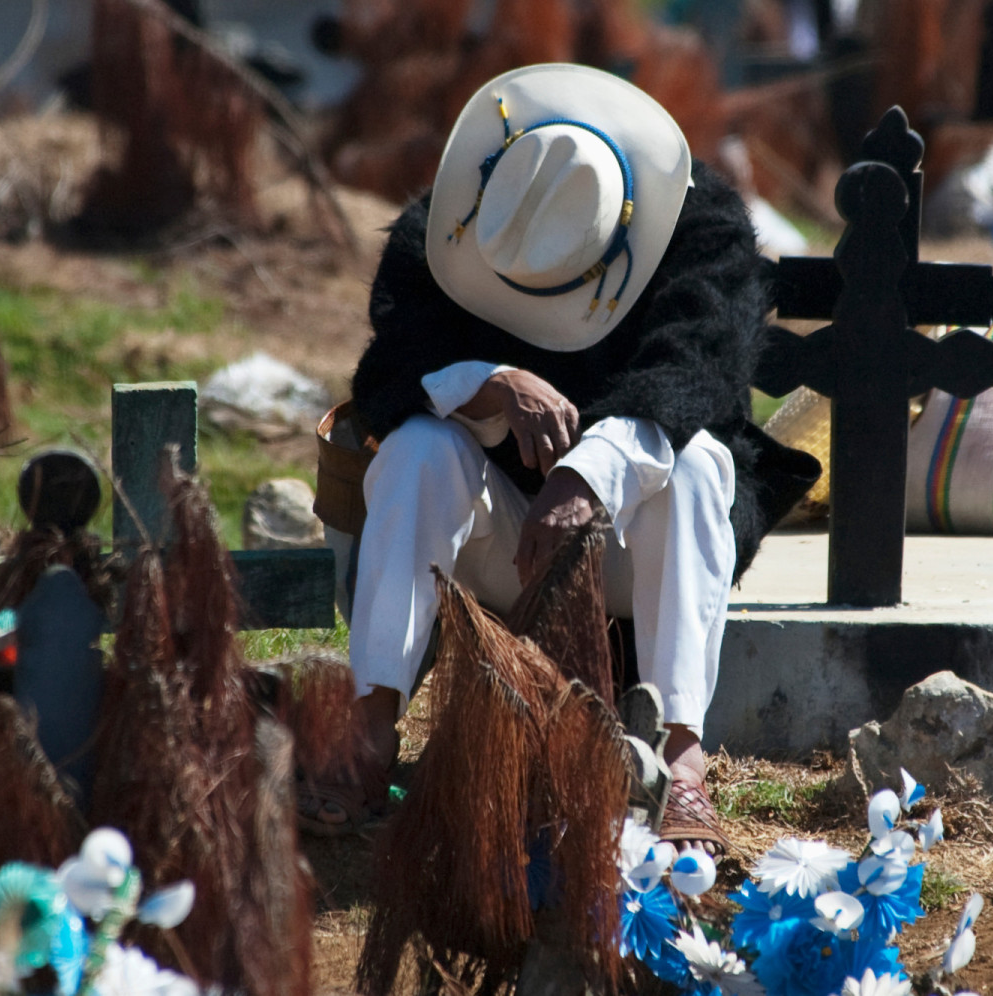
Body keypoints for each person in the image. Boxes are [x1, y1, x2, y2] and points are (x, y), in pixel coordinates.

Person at [315, 63, 817, 852]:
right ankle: (371, 725)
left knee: (698, 466)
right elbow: (387, 375)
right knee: (417, 448)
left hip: (632, 550)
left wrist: (590, 473)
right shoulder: (453, 222)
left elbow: (698, 371)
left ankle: (681, 756)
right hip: (493, 547)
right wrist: (488, 382)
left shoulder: (704, 229)